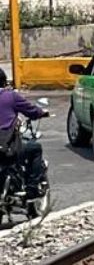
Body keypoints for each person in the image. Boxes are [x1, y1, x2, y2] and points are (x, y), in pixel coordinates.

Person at [0, 70, 48, 199]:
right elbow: (31, 111)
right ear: (4, 82)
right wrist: (42, 112)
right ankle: (32, 188)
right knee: (35, 148)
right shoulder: (10, 96)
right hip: (5, 146)